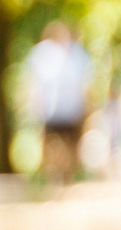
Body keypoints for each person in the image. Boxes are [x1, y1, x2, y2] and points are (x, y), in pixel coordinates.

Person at [24, 21, 91, 183]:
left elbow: (85, 84)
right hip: (51, 110)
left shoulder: (77, 54)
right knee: (52, 143)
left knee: (70, 143)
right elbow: (34, 83)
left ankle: (67, 176)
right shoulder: (42, 53)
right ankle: (53, 175)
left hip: (72, 109)